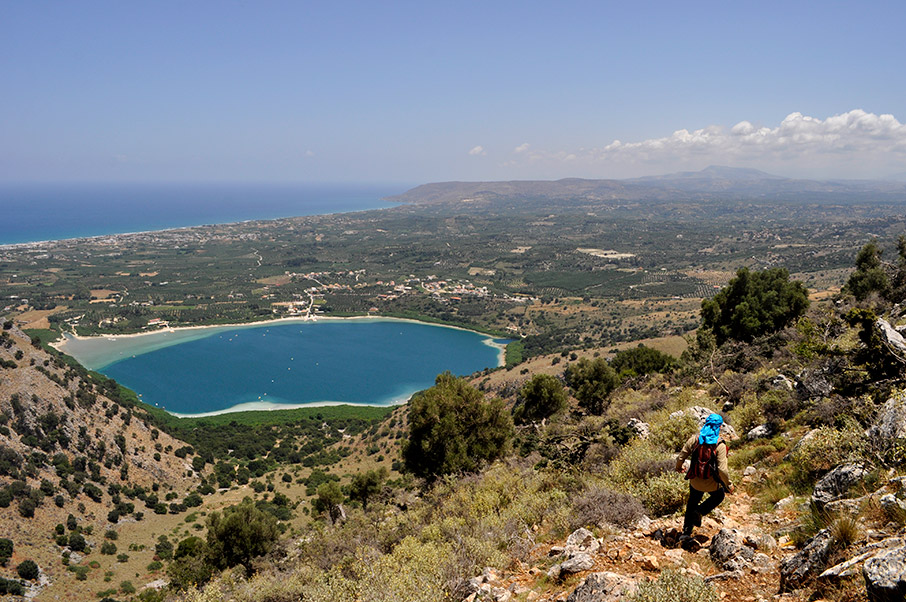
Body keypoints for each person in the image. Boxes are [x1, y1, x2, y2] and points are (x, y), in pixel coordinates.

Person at [675, 413, 734, 538]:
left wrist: (679, 467)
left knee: (692, 502)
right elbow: (722, 470)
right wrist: (729, 485)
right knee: (719, 496)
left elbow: (681, 456)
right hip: (712, 484)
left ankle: (686, 531)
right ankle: (700, 512)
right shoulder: (720, 445)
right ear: (719, 427)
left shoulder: (695, 439)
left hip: (695, 481)